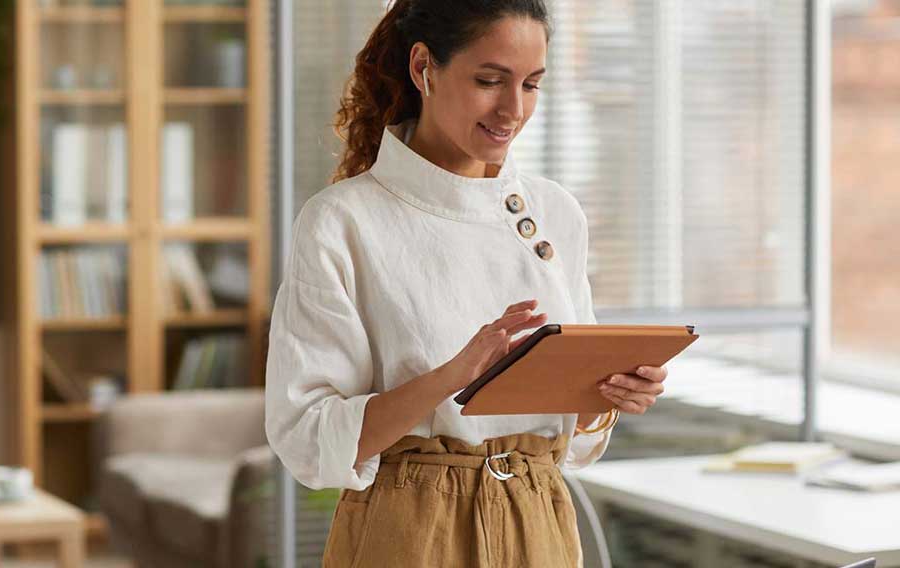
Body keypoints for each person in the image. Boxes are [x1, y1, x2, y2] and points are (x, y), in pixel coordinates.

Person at [263, 1, 671, 566]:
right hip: (408, 530)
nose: (513, 109)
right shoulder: (343, 221)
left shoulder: (556, 212)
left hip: (542, 522)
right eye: (489, 81)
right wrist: (452, 377)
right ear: (423, 67)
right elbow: (306, 437)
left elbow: (573, 440)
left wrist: (604, 400)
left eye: (531, 85)